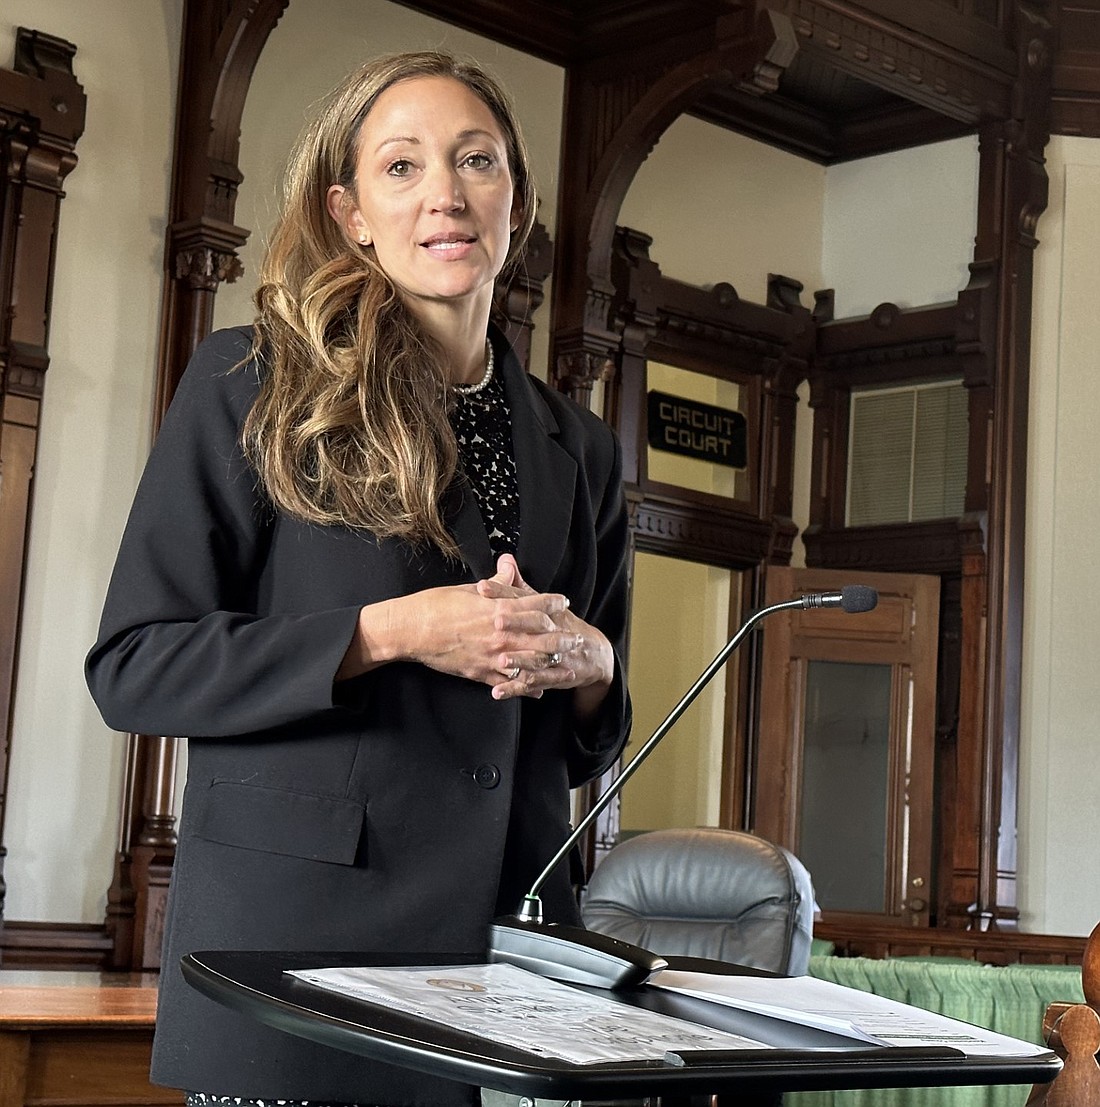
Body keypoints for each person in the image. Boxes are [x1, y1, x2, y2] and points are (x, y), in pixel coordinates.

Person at [86, 51, 632, 1107]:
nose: (445, 193)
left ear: (513, 199)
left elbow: (579, 743)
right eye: (401, 166)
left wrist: (593, 665)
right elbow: (134, 668)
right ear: (350, 215)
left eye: (476, 160)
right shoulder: (249, 384)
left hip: (508, 969)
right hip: (295, 966)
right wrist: (387, 632)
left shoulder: (582, 448)